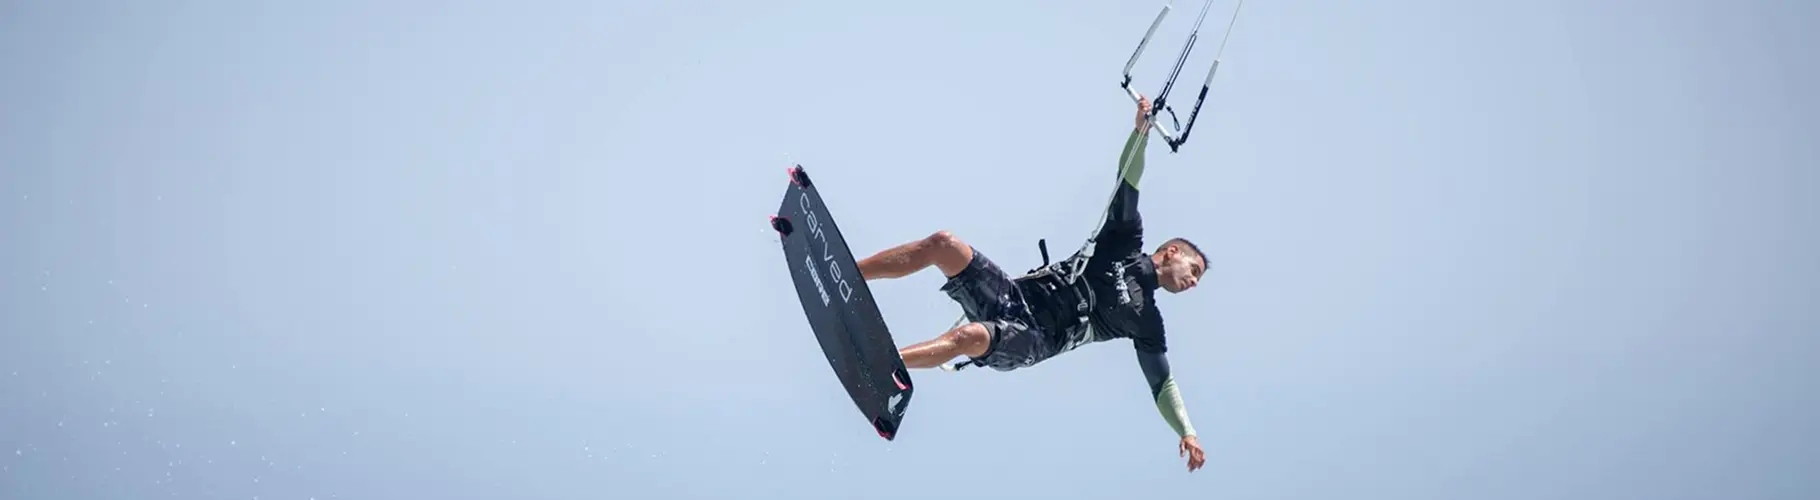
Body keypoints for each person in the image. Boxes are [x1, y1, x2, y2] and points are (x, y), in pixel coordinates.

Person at [854, 94, 1210, 472]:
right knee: (944, 244)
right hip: (1012, 295)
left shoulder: (1147, 319)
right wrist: (1141, 132)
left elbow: (1162, 384)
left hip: (1036, 338)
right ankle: (850, 271)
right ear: (1172, 251)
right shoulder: (1124, 239)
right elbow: (1129, 177)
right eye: (1195, 270)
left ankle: (885, 365)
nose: (1194, 282)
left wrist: (1187, 431)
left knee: (969, 338)